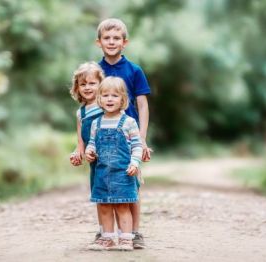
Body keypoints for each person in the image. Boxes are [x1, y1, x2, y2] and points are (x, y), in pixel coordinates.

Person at [96, 18, 151, 249]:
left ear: (124, 42)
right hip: (101, 136)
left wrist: (142, 138)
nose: (111, 42)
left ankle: (134, 232)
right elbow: (88, 104)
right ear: (99, 42)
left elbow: (143, 106)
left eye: (116, 38)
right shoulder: (95, 71)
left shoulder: (134, 70)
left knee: (130, 184)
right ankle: (105, 233)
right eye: (106, 38)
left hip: (128, 138)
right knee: (101, 184)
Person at [85, 77, 143, 251]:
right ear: (99, 99)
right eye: (105, 95)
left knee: (122, 205)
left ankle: (126, 238)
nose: (110, 99)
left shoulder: (129, 122)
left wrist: (135, 162)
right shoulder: (97, 122)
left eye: (115, 96)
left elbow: (137, 145)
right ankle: (107, 238)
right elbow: (93, 143)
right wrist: (89, 151)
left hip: (123, 172)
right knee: (103, 205)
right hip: (102, 173)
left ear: (123, 99)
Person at [69, 61, 105, 240]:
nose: (88, 87)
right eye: (83, 84)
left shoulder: (106, 105)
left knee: (118, 196)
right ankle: (103, 231)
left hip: (112, 159)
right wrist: (78, 153)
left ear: (101, 84)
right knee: (99, 196)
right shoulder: (80, 113)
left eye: (92, 83)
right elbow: (80, 140)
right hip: (95, 163)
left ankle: (123, 232)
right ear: (77, 87)